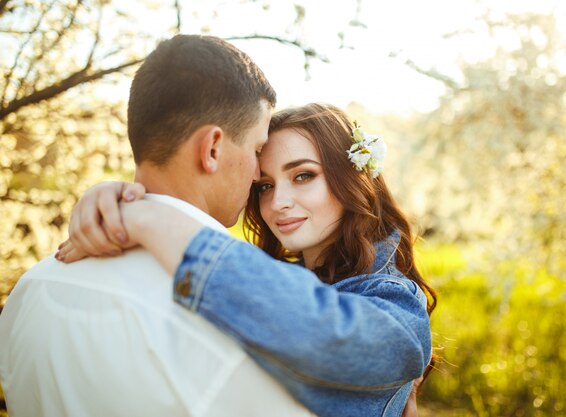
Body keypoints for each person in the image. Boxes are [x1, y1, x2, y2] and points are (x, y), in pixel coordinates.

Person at [0, 34, 316, 417]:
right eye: (255, 150)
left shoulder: (32, 289)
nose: (255, 175)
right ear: (212, 149)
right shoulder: (242, 312)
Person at [58, 103, 437, 417]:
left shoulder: (394, 300)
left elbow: (320, 331)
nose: (278, 203)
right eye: (265, 186)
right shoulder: (272, 277)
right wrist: (117, 200)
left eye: (303, 175)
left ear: (353, 179)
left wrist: (151, 217)